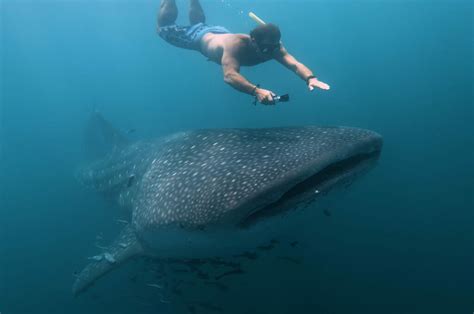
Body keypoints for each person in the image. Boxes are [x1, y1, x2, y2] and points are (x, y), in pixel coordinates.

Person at [157, 0, 330, 105]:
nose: (269, 52)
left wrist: (310, 78)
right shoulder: (235, 47)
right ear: (252, 41)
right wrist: (256, 91)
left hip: (218, 32)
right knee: (164, 27)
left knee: (199, 22)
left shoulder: (275, 47)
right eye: (265, 49)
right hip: (199, 38)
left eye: (273, 47)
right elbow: (230, 75)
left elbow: (294, 64)